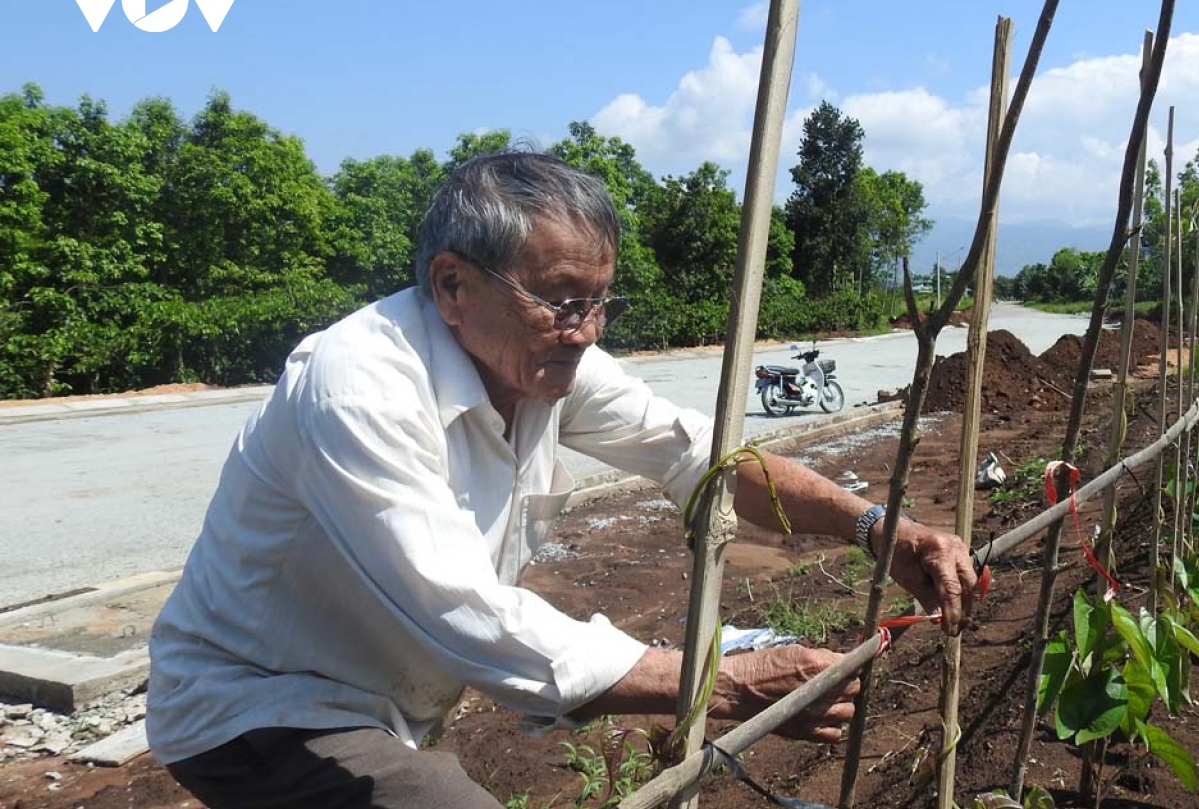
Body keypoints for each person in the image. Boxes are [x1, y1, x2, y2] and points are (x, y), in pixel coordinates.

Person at [146, 151, 980, 808]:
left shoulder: (542, 362)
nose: (584, 332)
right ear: (451, 285)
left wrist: (885, 532)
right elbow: (464, 615)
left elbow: (702, 457)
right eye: (561, 299)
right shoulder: (357, 387)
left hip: (383, 701)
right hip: (258, 704)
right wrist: (722, 681)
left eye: (600, 302)